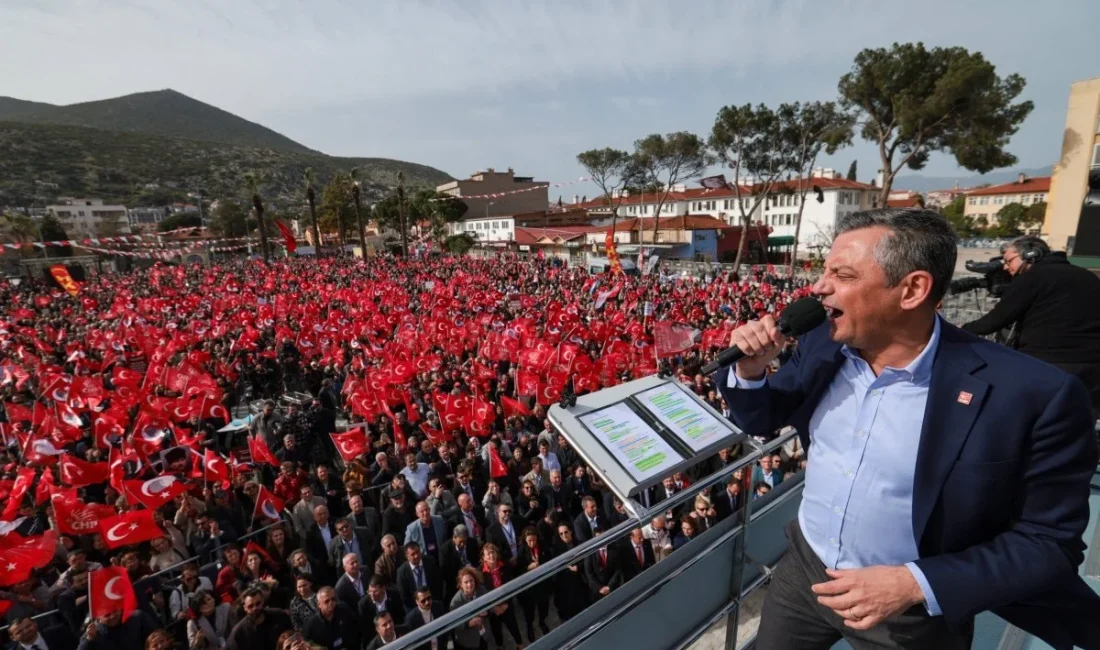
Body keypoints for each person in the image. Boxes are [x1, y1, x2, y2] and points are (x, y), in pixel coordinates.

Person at [718, 208, 1100, 650]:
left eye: (842, 274)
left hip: (910, 610)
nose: (819, 287)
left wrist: (914, 584)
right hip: (804, 570)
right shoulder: (823, 341)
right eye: (825, 271)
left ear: (913, 289)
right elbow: (763, 416)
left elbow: (1048, 543)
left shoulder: (1033, 394)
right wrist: (749, 371)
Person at [962, 234, 1100, 416]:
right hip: (1093, 366)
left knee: (1035, 421)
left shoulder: (1032, 277)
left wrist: (962, 331)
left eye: (1009, 260)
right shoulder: (1088, 276)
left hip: (1048, 364)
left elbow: (995, 321)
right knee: (1079, 423)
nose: (1006, 267)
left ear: (1030, 254)